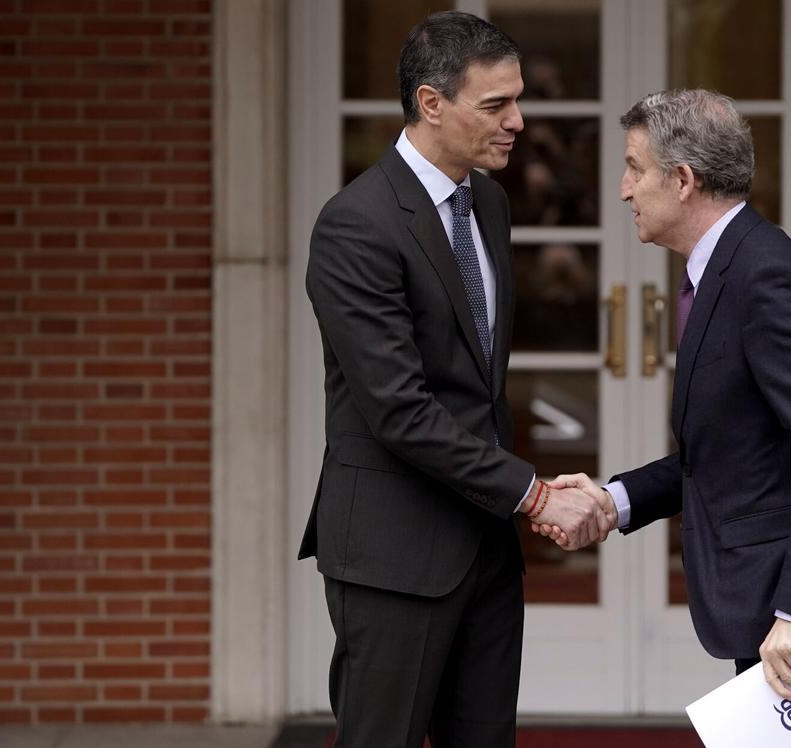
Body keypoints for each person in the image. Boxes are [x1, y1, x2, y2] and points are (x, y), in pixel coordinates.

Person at [297, 12, 614, 747]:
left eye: (518, 100)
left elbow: (477, 385)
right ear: (431, 103)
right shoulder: (356, 224)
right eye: (496, 104)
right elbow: (400, 410)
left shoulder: (490, 204)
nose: (518, 121)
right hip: (395, 555)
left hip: (487, 547)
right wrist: (535, 495)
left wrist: (511, 503)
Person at [538, 89, 791, 701]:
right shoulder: (721, 269)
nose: (624, 190)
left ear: (683, 180)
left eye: (635, 168)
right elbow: (730, 449)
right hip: (770, 594)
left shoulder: (764, 274)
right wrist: (614, 502)